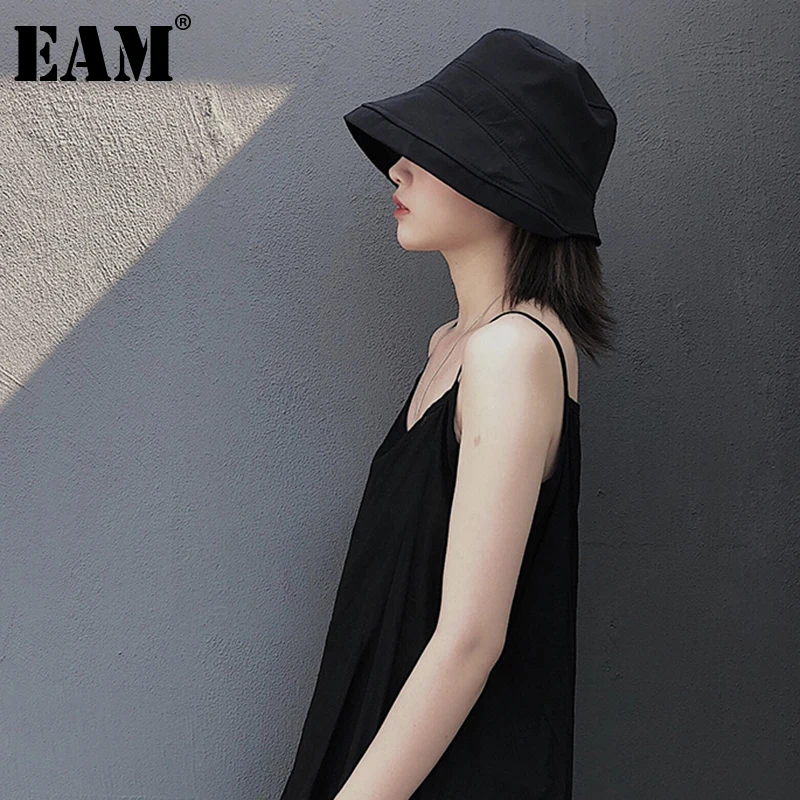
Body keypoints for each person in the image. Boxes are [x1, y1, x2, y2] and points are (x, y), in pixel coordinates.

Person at [278, 27, 618, 799]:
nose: (398, 167)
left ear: (511, 182)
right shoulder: (454, 346)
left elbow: (469, 641)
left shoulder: (512, 352)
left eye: (436, 149)